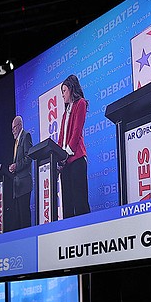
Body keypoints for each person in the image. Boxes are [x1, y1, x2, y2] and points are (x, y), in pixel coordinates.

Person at [57, 74, 90, 218]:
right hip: (65, 164)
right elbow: (60, 138)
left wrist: (65, 154)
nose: (63, 95)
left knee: (80, 201)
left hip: (76, 159)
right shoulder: (65, 113)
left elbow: (76, 132)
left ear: (71, 89)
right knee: (67, 204)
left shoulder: (81, 103)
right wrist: (58, 157)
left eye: (64, 91)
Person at [6, 115, 34, 231]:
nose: (13, 131)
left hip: (24, 183)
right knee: (18, 219)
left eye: (14, 128)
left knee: (24, 216)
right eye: (12, 129)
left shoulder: (26, 136)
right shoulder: (16, 141)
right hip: (17, 186)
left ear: (20, 125)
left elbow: (29, 157)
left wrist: (16, 166)